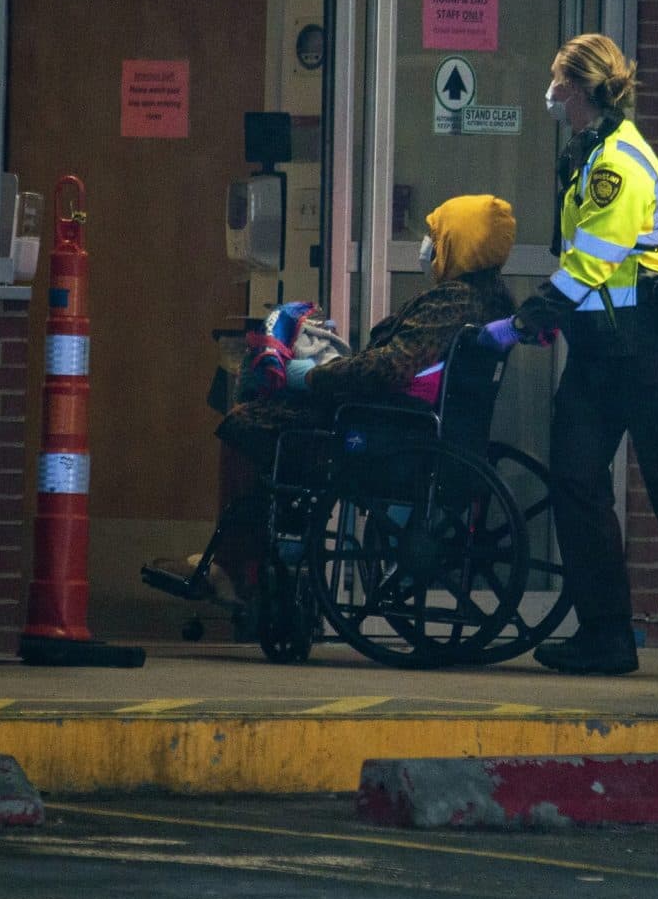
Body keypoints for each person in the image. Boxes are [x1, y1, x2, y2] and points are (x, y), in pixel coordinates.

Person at [481, 33, 658, 679]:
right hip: (602, 349)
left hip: (643, 349)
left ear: (575, 86)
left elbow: (588, 266)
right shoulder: (590, 152)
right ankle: (605, 635)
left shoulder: (617, 166)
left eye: (556, 79)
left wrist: (521, 323)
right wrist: (559, 321)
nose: (550, 89)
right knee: (575, 480)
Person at [205, 193, 519, 601]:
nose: (426, 246)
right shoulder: (492, 300)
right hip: (419, 430)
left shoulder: (452, 302)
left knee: (243, 422)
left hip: (389, 435)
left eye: (435, 236)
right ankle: (259, 555)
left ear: (460, 242)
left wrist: (313, 375)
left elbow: (390, 367)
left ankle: (233, 566)